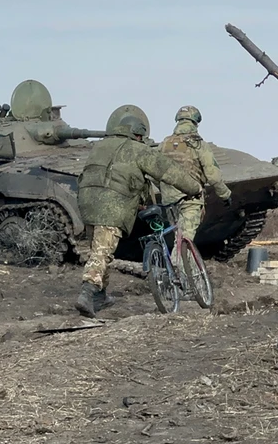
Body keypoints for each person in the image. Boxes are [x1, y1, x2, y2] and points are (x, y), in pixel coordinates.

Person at [75, 115, 203, 318]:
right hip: (112, 204)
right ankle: (88, 291)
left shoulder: (100, 146)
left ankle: (100, 295)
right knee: (103, 251)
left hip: (87, 201)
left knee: (98, 247)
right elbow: (168, 171)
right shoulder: (138, 149)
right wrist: (194, 187)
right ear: (137, 134)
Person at [157, 105, 232, 244]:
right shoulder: (199, 145)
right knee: (185, 241)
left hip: (169, 200)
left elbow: (154, 173)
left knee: (178, 237)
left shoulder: (164, 144)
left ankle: (184, 264)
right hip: (190, 199)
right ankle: (178, 265)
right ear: (195, 122)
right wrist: (225, 195)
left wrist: (165, 189)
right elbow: (212, 176)